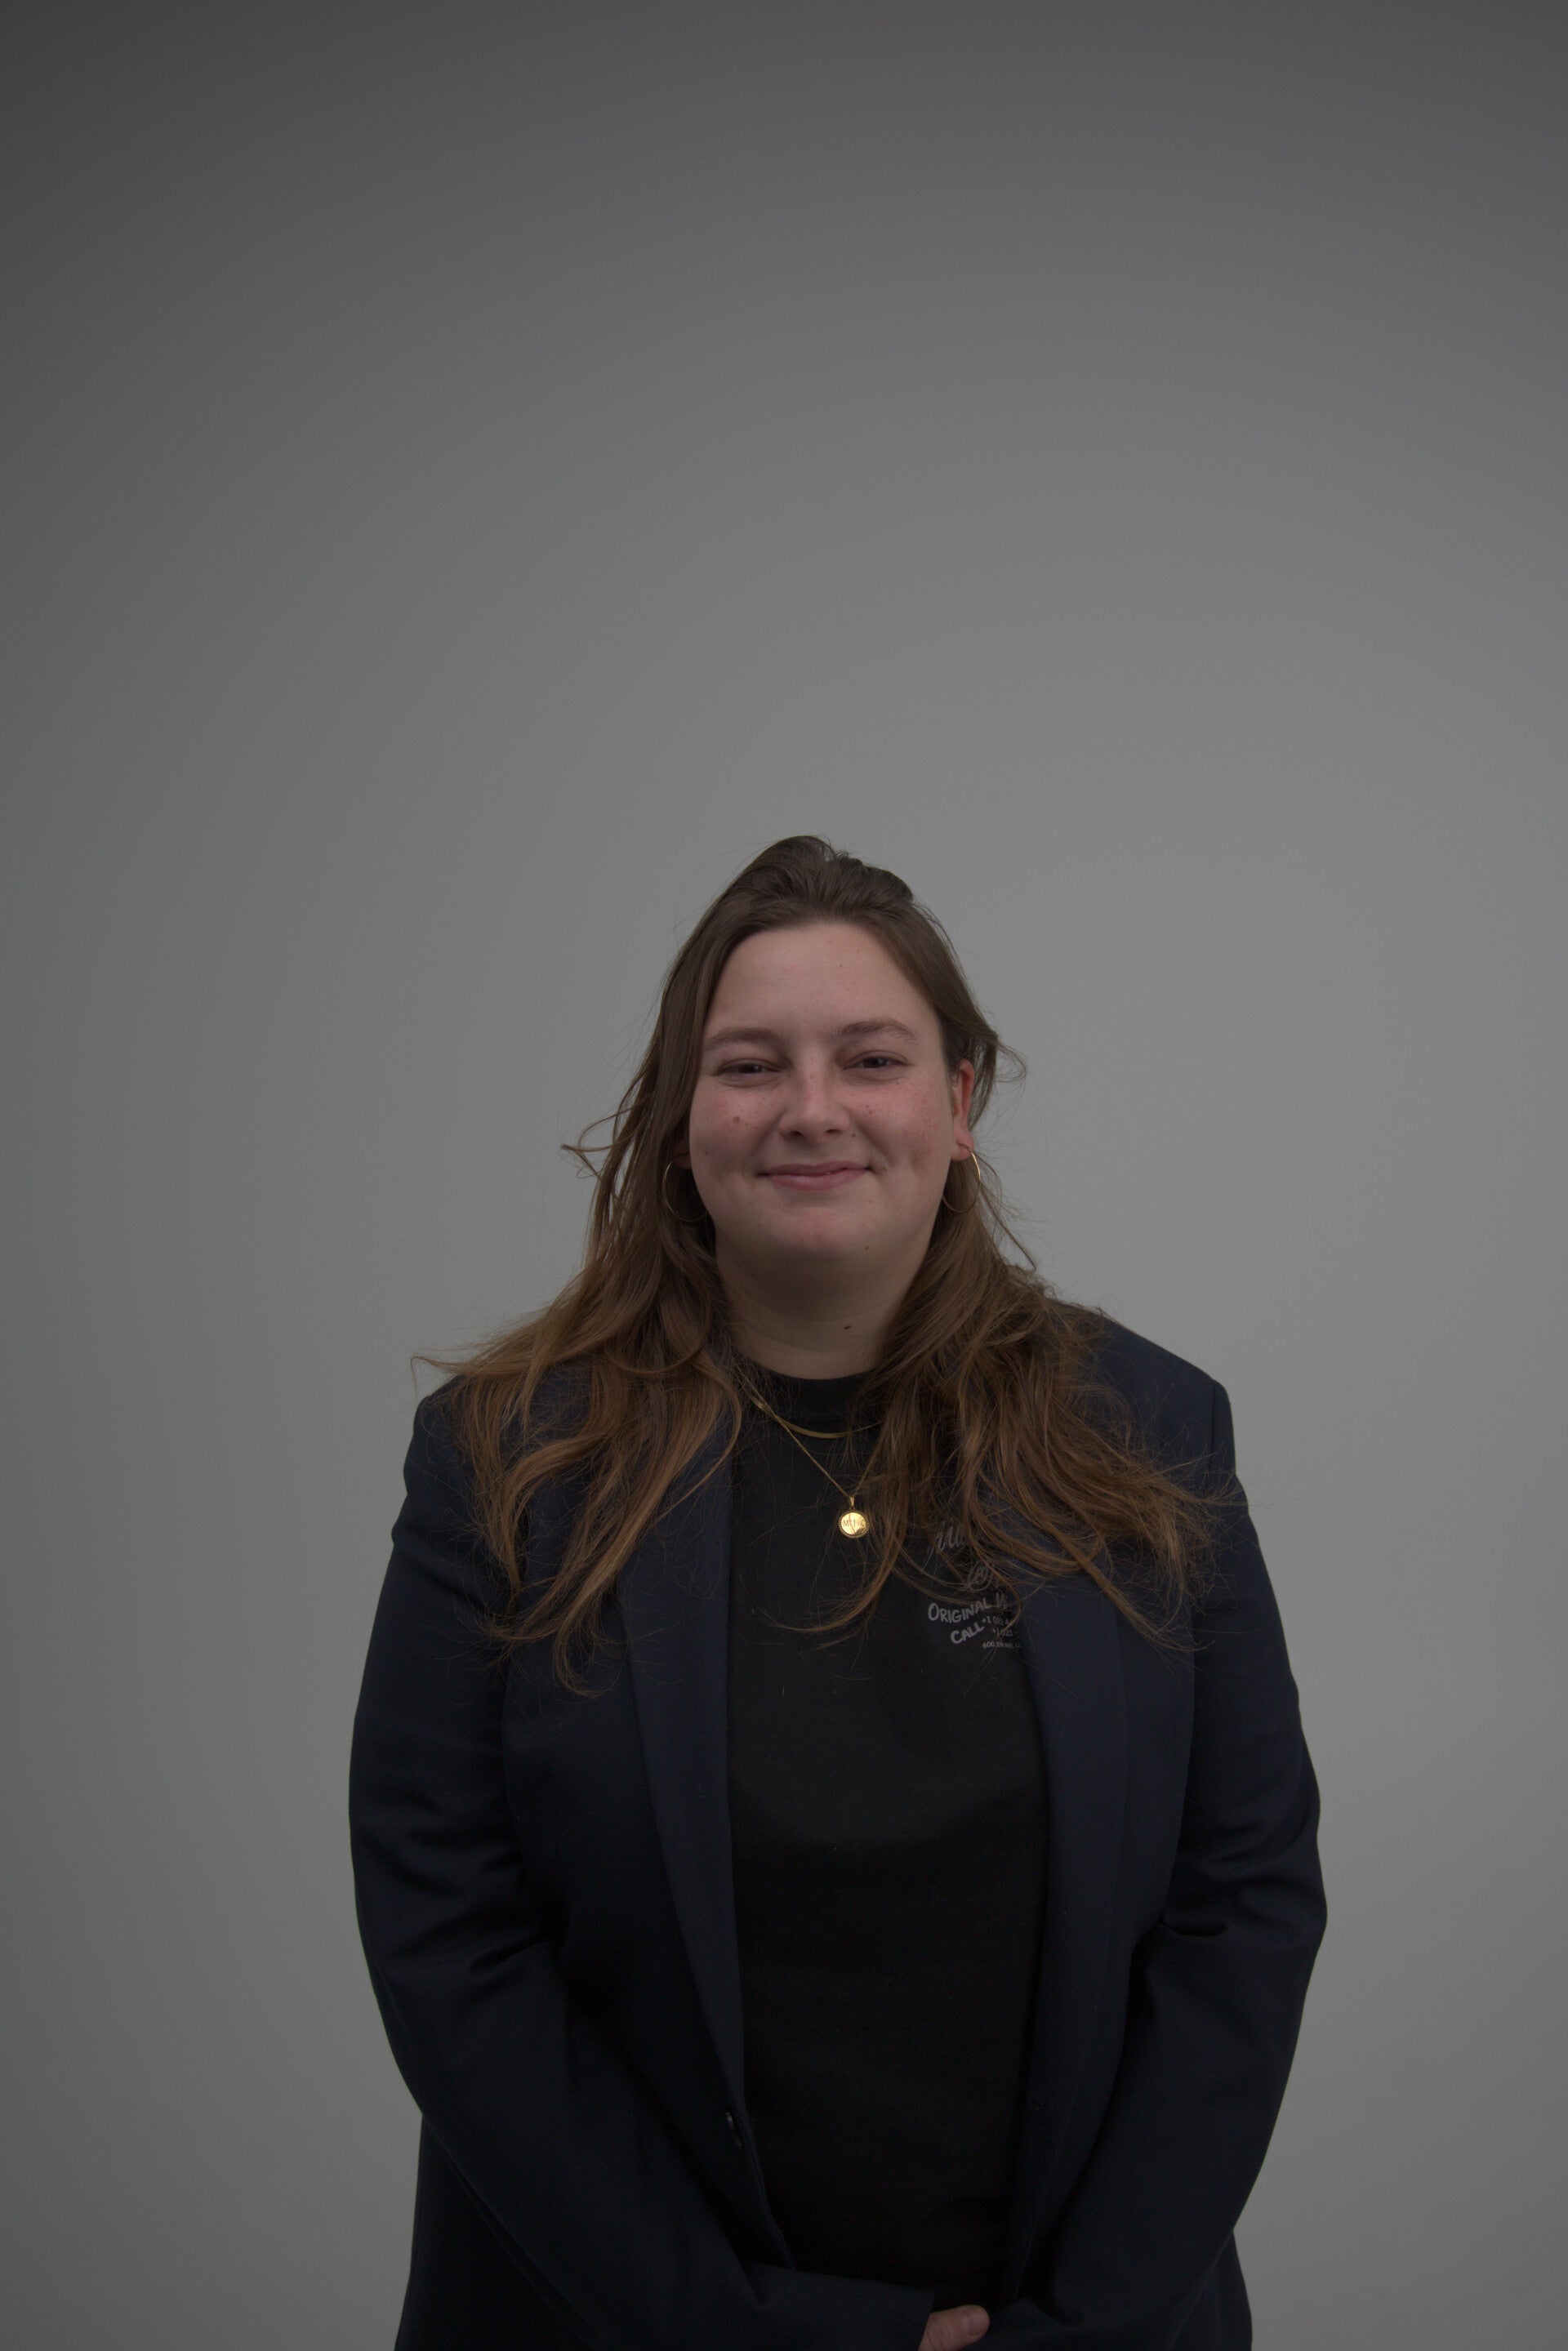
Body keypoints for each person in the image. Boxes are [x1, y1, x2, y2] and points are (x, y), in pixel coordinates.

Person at [350, 834, 1326, 2351]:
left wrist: (1096, 2323)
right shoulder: (506, 1462)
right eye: (751, 1066)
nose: (813, 1108)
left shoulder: (1148, 1431)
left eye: (871, 1058)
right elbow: (449, 1937)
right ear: (681, 1120)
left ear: (959, 1103)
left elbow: (1244, 1898)